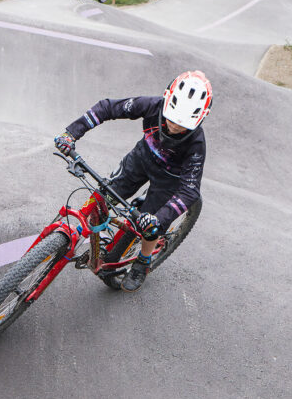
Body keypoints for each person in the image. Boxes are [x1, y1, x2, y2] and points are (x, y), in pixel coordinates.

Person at [54, 71, 212, 292]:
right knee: (103, 196)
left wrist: (159, 219)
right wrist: (71, 133)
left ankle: (143, 261)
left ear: (198, 119)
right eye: (171, 118)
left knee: (150, 226)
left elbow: (190, 190)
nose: (174, 126)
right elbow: (107, 108)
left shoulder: (196, 143)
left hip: (169, 180)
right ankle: (92, 231)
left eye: (182, 124)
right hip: (140, 160)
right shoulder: (152, 105)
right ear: (166, 102)